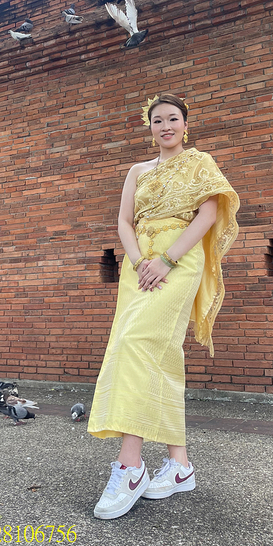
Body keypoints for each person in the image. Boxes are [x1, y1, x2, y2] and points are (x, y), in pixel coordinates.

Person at [88, 93, 239, 520]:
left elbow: (208, 216)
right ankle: (180, 465)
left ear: (185, 125)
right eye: (158, 120)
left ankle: (130, 466)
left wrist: (167, 260)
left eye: (173, 118)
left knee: (136, 343)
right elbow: (124, 221)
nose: (166, 126)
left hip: (178, 261)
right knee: (157, 351)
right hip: (139, 266)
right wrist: (139, 262)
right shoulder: (137, 170)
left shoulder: (199, 162)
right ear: (150, 127)